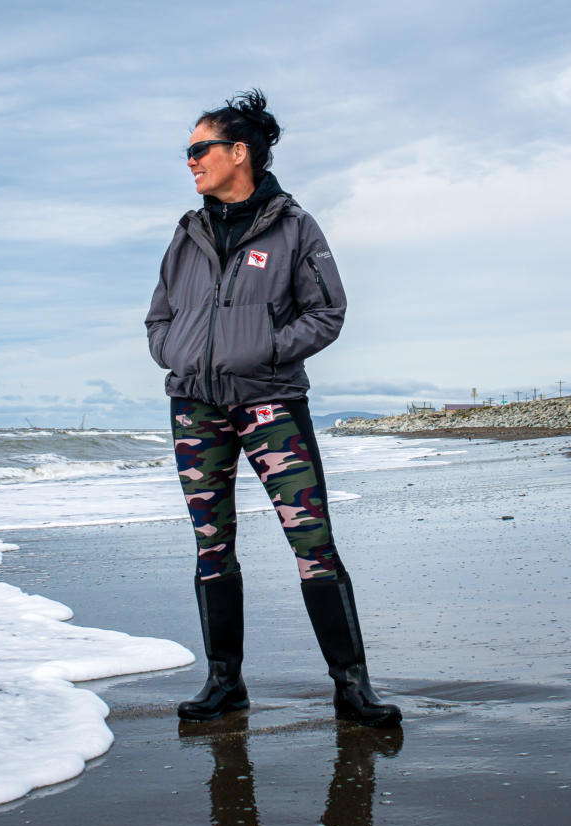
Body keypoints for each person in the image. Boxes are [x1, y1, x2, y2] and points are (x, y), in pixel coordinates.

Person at [145, 90, 401, 728]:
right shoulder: (188, 232)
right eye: (189, 151)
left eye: (198, 149)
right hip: (195, 409)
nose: (190, 162)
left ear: (239, 153)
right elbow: (159, 315)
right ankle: (224, 684)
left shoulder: (295, 228)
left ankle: (352, 689)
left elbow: (327, 312)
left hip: (271, 406)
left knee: (312, 543)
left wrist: (263, 352)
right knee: (211, 547)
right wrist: (173, 353)